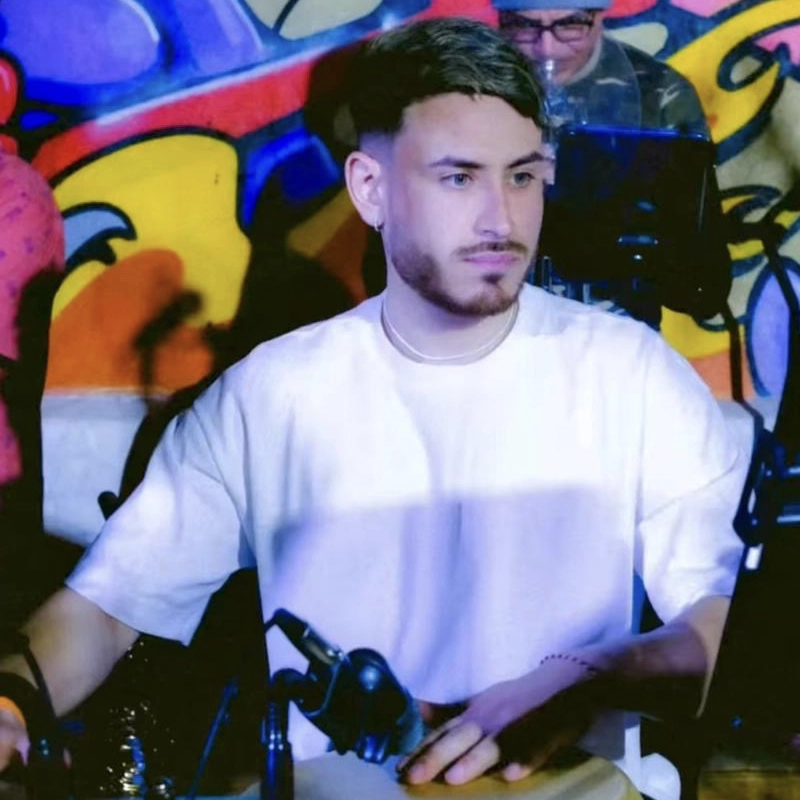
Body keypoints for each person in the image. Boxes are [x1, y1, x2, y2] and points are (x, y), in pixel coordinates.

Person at [0, 16, 744, 800]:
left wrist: (588, 675)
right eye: (459, 177)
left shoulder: (629, 373)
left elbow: (723, 623)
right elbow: (106, 610)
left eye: (522, 176)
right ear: (370, 189)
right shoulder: (272, 394)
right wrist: (13, 701)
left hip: (572, 788)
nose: (501, 217)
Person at [493, 0, 709, 135]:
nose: (548, 50)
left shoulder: (661, 93)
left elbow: (689, 204)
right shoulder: (471, 85)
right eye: (524, 26)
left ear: (600, 17)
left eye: (570, 25)